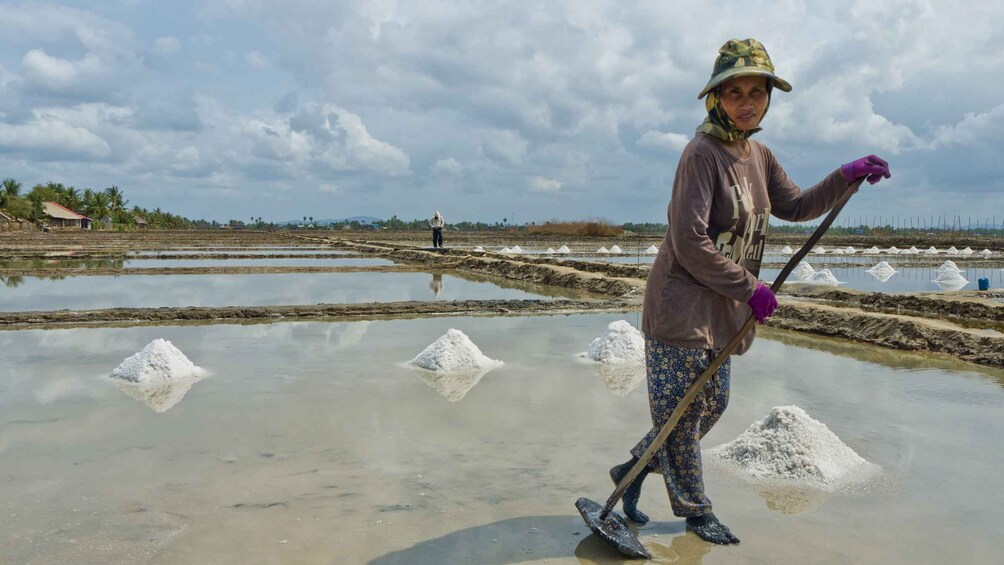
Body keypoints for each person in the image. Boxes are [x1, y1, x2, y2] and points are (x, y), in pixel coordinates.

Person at [607, 38, 891, 545]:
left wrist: (845, 176)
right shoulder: (701, 155)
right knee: (682, 412)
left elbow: (799, 205)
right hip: (679, 306)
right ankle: (696, 512)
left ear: (767, 99)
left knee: (708, 407)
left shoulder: (758, 154)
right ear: (715, 98)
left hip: (722, 311)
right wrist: (751, 287)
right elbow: (688, 241)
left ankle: (632, 467)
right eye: (734, 92)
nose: (746, 102)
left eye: (756, 92)